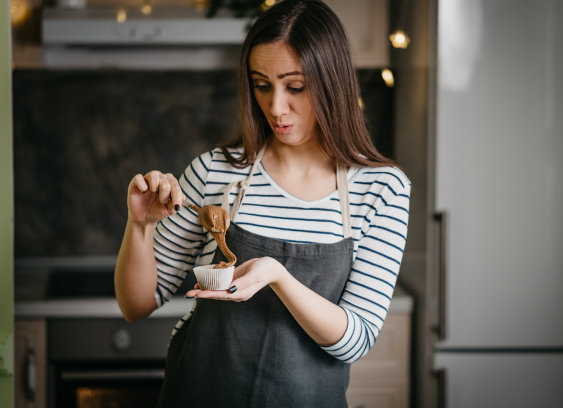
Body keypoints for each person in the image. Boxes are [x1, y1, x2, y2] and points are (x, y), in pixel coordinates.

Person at [114, 0, 410, 406]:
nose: (275, 107)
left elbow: (355, 339)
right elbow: (135, 305)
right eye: (262, 85)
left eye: (296, 87)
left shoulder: (381, 190)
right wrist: (141, 226)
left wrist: (278, 276)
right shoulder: (214, 171)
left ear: (331, 82)